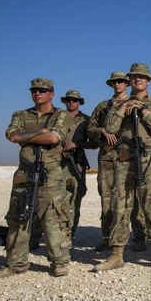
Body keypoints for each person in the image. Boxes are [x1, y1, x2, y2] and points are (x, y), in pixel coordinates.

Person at [94, 63, 151, 271]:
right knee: (120, 206)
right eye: (134, 77)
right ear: (129, 81)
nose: (137, 79)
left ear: (148, 81)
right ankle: (116, 254)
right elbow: (110, 128)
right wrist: (122, 110)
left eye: (142, 77)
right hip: (123, 159)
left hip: (147, 160)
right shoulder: (118, 104)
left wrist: (144, 111)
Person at [0, 78, 72, 278]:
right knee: (19, 216)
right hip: (24, 172)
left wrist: (25, 136)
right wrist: (41, 133)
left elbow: (54, 138)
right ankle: (16, 263)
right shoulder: (20, 115)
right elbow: (11, 135)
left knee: (52, 217)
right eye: (34, 90)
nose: (38, 94)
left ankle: (59, 261)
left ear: (51, 93)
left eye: (42, 91)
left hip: (50, 173)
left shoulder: (61, 115)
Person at [87, 71, 146, 252]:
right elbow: (90, 128)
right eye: (115, 82)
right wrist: (102, 132)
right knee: (107, 199)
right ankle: (108, 237)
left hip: (129, 158)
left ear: (126, 83)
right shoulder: (103, 106)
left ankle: (139, 237)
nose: (118, 84)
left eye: (121, 81)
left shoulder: (135, 103)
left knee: (134, 198)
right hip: (107, 158)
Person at [60, 90, 97, 241]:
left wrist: (77, 144)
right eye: (68, 100)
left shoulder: (86, 121)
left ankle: (69, 236)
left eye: (74, 100)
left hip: (76, 164)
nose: (71, 102)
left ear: (79, 102)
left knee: (74, 201)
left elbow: (95, 143)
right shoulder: (57, 117)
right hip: (56, 164)